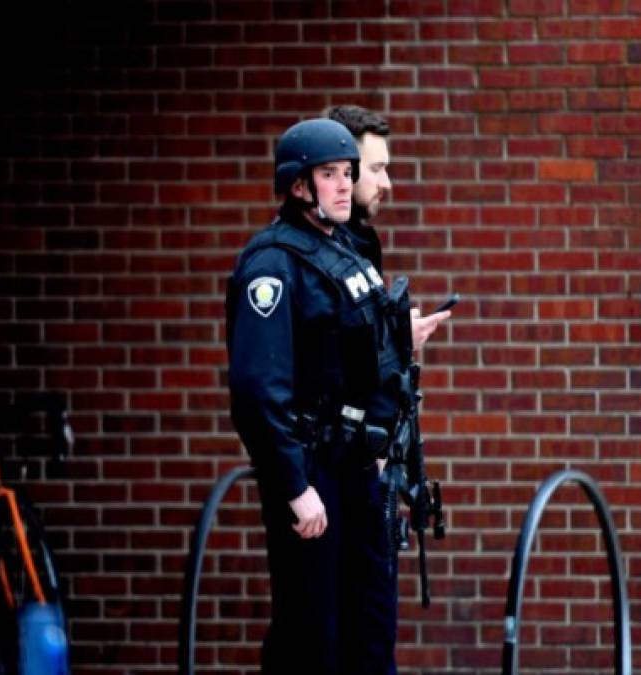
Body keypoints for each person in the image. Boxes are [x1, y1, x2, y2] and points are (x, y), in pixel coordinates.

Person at [226, 117, 450, 675]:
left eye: (349, 173)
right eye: (330, 174)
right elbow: (258, 390)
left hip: (358, 469)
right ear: (300, 185)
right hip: (313, 468)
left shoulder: (348, 252)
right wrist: (294, 485)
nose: (345, 185)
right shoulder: (274, 265)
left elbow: (362, 357)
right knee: (313, 637)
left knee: (370, 629)